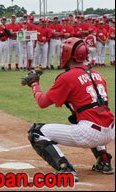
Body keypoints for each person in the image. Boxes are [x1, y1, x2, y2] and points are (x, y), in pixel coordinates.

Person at [23, 37, 114, 182]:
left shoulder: (67, 77)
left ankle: (65, 169)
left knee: (36, 132)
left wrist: (35, 84)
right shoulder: (98, 74)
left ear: (69, 54)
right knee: (89, 115)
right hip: (110, 130)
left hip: (90, 132)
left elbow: (43, 102)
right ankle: (104, 161)